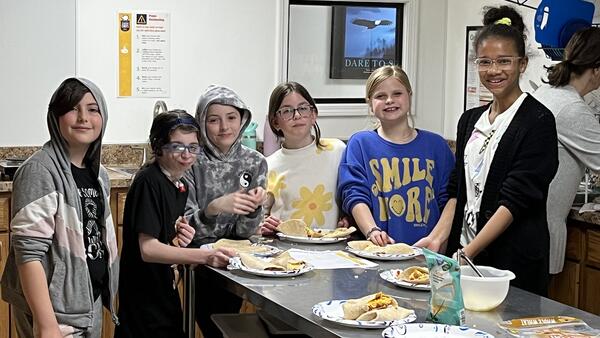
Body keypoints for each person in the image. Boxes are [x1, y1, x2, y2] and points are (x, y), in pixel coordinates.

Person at [416, 5, 559, 296]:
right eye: (484, 62)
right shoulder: (470, 120)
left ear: (522, 64)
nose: (493, 71)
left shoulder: (538, 121)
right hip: (464, 252)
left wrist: (469, 252)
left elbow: (515, 201)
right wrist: (439, 237)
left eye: (504, 61)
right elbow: (458, 190)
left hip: (512, 262)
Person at [0, 78, 118, 338]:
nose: (83, 117)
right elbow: (29, 255)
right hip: (52, 311)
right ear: (56, 117)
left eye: (92, 109)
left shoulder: (99, 175)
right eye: (73, 108)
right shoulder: (40, 171)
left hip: (87, 300)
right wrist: (46, 323)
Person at [115, 110, 235, 338]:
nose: (187, 154)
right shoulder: (149, 182)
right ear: (159, 146)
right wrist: (205, 256)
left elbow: (166, 236)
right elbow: (148, 249)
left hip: (164, 291)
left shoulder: (179, 185)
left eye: (193, 147)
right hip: (143, 298)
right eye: (177, 146)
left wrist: (180, 235)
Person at [337, 65, 455, 247]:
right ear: (370, 103)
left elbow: (449, 199)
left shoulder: (437, 146)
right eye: (380, 96)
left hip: (427, 252)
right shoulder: (360, 144)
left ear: (410, 95)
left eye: (397, 93)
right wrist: (372, 231)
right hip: (376, 251)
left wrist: (437, 240)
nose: (389, 100)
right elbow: (354, 195)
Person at [184, 84, 267, 338]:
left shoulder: (255, 162)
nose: (224, 127)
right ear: (201, 123)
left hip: (238, 263)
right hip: (200, 262)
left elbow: (247, 233)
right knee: (211, 323)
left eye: (231, 118)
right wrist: (213, 209)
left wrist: (253, 211)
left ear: (242, 119)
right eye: (214, 120)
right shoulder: (191, 160)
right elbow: (185, 228)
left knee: (231, 325)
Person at [532, 27, 600, 275]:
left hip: (528, 227)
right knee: (539, 312)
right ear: (596, 69)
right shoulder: (571, 109)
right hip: (541, 231)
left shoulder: (547, 92)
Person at [260, 82, 347, 235]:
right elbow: (260, 217)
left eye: (303, 108)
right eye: (287, 111)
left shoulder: (337, 151)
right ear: (275, 122)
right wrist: (264, 225)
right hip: (285, 249)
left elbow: (351, 196)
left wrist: (349, 218)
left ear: (314, 115)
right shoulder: (267, 165)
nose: (297, 115)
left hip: (330, 248)